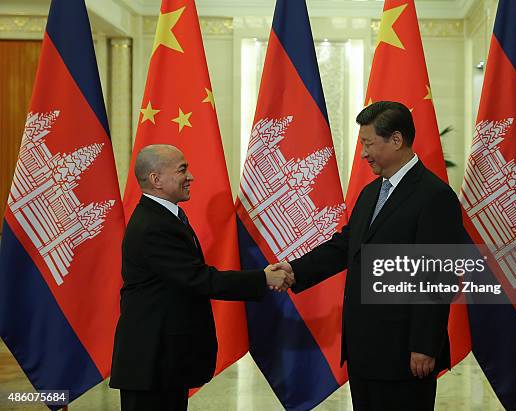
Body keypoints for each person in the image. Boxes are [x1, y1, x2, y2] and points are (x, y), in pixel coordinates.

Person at [273, 101, 464, 410]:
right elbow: (346, 245)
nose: (363, 153)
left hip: (405, 353)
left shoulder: (434, 196)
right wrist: (295, 270)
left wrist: (424, 346)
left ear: (397, 140)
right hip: (366, 350)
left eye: (368, 143)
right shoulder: (371, 192)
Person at [109, 144, 293, 411]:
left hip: (164, 362)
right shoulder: (154, 226)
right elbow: (197, 279)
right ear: (156, 179)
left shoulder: (164, 217)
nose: (191, 177)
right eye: (182, 169)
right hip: (151, 363)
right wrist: (262, 278)